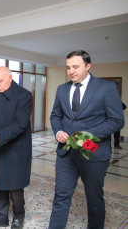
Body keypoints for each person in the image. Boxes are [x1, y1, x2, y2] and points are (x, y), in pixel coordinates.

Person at [48, 50, 125, 229]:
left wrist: (86, 136)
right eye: (68, 68)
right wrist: (58, 131)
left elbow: (117, 120)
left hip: (94, 154)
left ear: (88, 66)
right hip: (66, 153)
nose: (71, 71)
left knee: (94, 197)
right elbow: (55, 116)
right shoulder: (62, 89)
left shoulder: (106, 88)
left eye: (76, 67)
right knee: (61, 195)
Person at [0, 66, 33, 229]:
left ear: (11, 78)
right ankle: (1, 216)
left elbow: (20, 124)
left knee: (15, 186)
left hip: (16, 147)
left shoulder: (24, 95)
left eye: (0, 81)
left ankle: (19, 216)